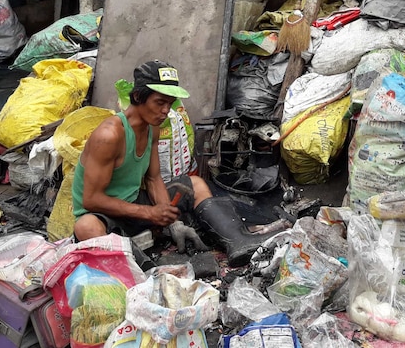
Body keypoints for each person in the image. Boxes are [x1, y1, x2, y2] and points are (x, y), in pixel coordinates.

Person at [72, 60, 282, 267]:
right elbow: (91, 199)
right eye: (159, 102)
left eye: (170, 103)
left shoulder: (151, 128)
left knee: (196, 184)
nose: (166, 111)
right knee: (86, 227)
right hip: (106, 216)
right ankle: (132, 271)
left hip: (134, 203)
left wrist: (170, 220)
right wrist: (148, 213)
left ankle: (239, 242)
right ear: (137, 97)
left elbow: (153, 178)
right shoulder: (109, 135)